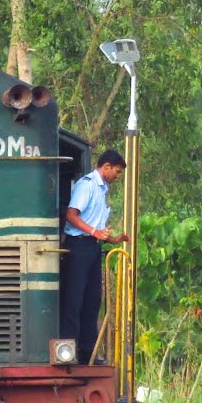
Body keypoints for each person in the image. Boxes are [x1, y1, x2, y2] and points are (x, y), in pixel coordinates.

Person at [61, 149, 130, 365]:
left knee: (92, 301)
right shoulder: (87, 185)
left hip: (93, 248)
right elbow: (71, 215)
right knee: (74, 301)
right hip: (78, 247)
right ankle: (68, 352)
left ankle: (87, 353)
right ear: (106, 167)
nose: (117, 177)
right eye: (117, 172)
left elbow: (96, 227)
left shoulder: (102, 190)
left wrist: (113, 239)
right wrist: (94, 232)